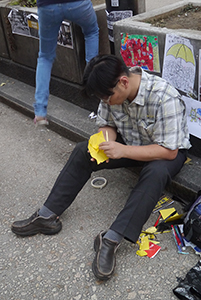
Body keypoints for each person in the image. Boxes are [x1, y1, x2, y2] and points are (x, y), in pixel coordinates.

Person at [11, 54, 191, 280]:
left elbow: (169, 151)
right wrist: (103, 143)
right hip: (129, 141)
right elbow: (106, 123)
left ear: (124, 82)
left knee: (155, 172)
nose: (105, 102)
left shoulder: (164, 96)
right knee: (82, 150)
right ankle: (47, 216)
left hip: (165, 150)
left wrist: (122, 150)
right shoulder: (110, 90)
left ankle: (110, 239)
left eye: (107, 97)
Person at [34, 0, 99, 125]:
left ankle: (40, 112)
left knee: (45, 57)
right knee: (91, 33)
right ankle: (93, 84)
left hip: (47, 6)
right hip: (78, 4)